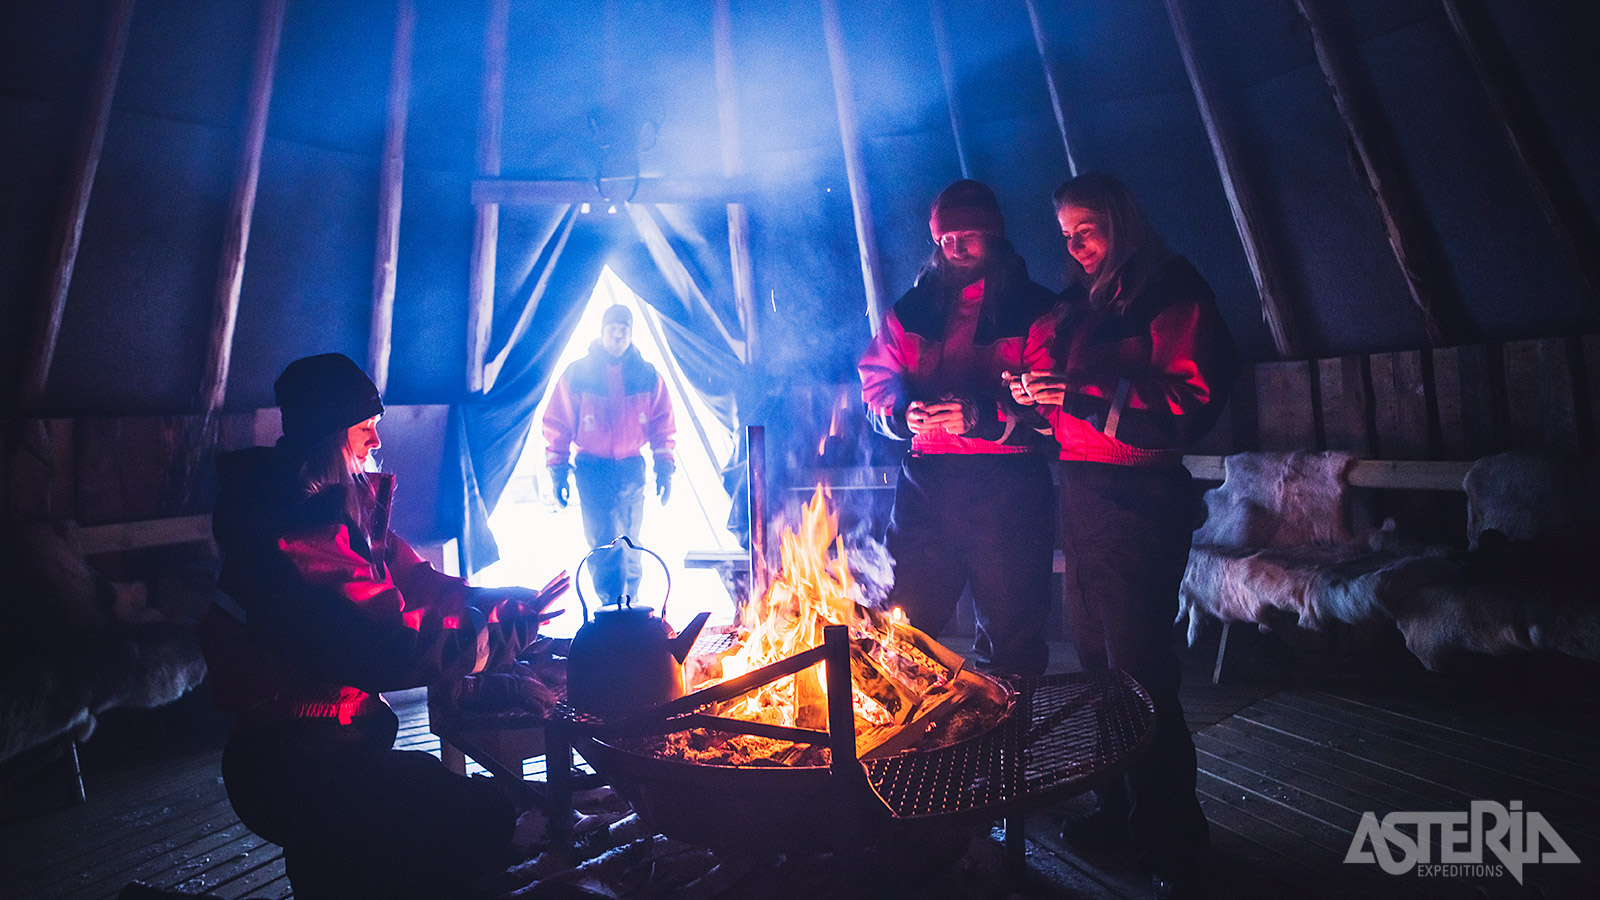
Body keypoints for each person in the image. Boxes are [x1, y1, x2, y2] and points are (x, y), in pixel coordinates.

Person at [201, 353, 570, 900]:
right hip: (289, 760)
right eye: (365, 427)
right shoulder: (296, 534)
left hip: (335, 740)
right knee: (480, 818)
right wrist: (500, 642)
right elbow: (392, 645)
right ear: (329, 434)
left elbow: (420, 586)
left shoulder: (339, 514)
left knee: (438, 824)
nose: (377, 441)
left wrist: (501, 604)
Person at [1010, 173, 1236, 898]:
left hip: (1139, 495)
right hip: (1080, 490)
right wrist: (1038, 402)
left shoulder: (1170, 291)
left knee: (1140, 671)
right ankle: (1119, 810)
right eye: (1065, 236)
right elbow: (1067, 409)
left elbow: (1189, 404)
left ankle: (1173, 836)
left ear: (1121, 222)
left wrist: (1076, 395)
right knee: (1097, 661)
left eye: (1086, 230)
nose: (1074, 247)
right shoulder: (1077, 307)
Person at [858, 179, 1060, 677]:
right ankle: (914, 747)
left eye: (967, 235)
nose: (955, 247)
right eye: (945, 239)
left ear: (993, 237)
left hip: (1009, 491)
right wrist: (901, 416)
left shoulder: (1037, 309)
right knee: (905, 632)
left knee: (1012, 639)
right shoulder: (911, 311)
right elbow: (876, 384)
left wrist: (983, 419)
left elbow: (1054, 411)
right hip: (927, 486)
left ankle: (1007, 749)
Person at [543, 304, 677, 603]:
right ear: (602, 331)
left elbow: (662, 424)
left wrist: (665, 468)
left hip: (631, 467)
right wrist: (558, 472)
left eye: (624, 330)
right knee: (603, 541)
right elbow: (558, 423)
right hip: (593, 470)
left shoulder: (647, 375)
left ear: (631, 334)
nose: (618, 335)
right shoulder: (577, 374)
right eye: (613, 329)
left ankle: (631, 605)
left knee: (630, 541)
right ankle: (610, 606)